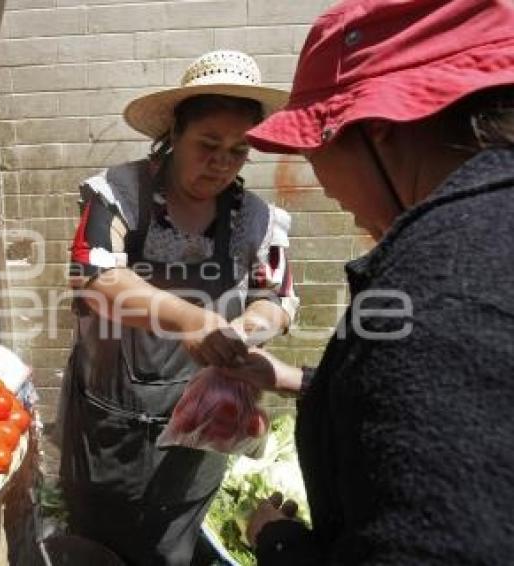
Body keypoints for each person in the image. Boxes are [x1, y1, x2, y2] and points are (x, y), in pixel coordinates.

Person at [219, 1, 514, 564]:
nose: (318, 180)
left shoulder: (441, 296)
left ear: (376, 129)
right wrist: (301, 381)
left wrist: (278, 544)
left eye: (312, 150)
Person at [57, 50, 299, 566]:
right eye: (207, 144)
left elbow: (277, 295)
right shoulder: (119, 195)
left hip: (202, 431)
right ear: (173, 133)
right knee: (98, 546)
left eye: (237, 151)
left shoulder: (256, 219)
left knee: (174, 548)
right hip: (109, 435)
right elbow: (91, 278)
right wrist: (192, 319)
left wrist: (248, 328)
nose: (221, 162)